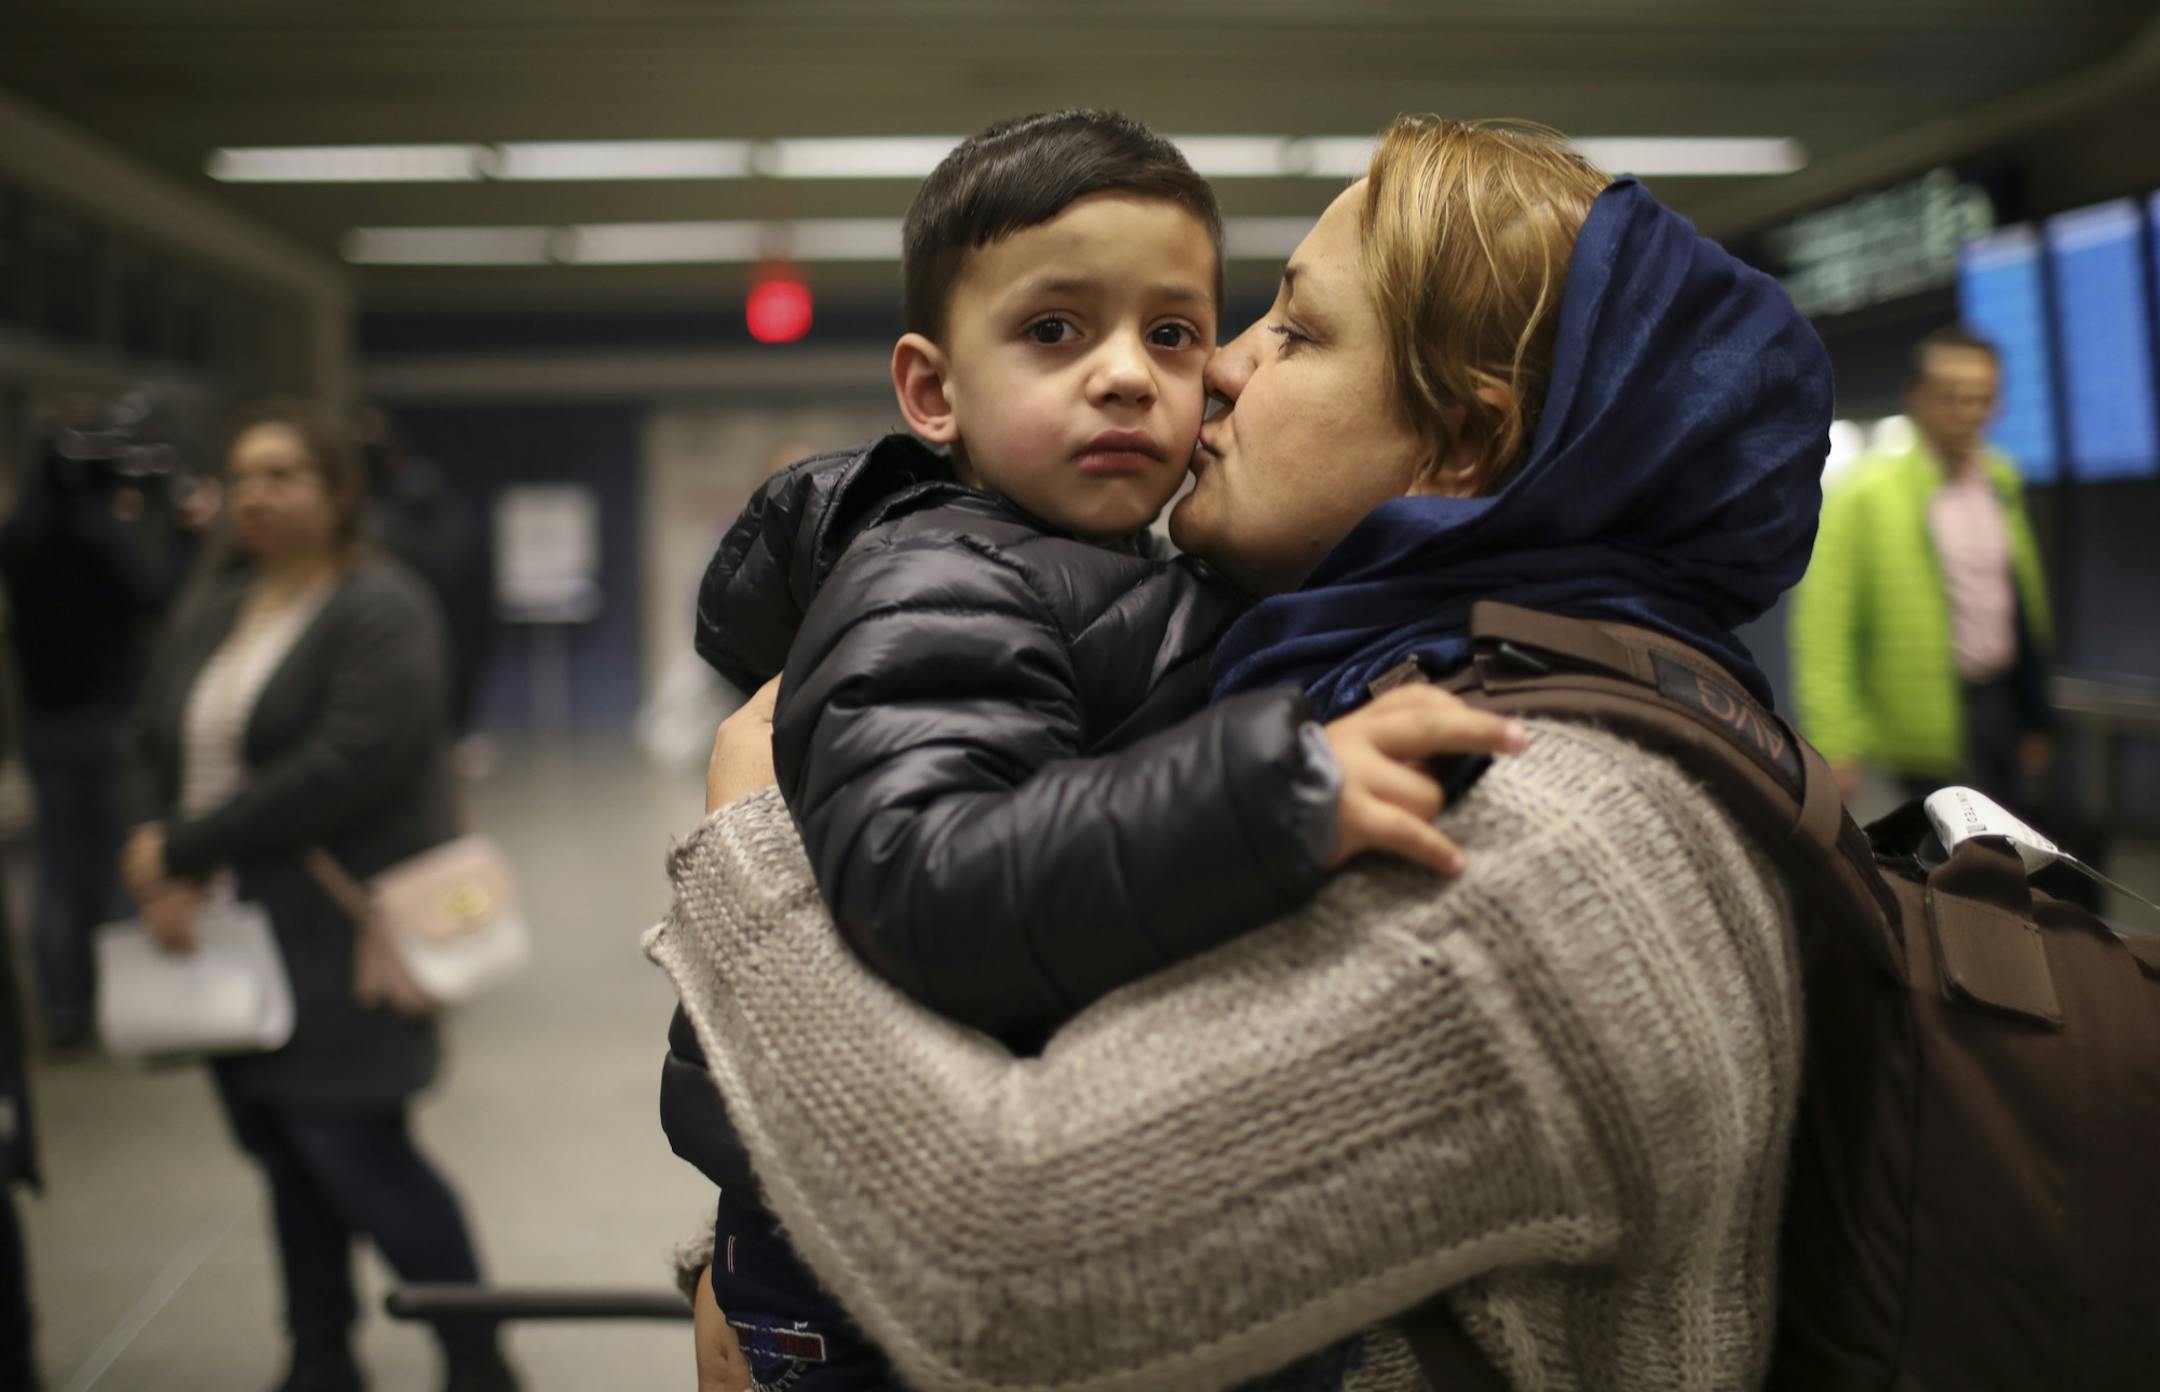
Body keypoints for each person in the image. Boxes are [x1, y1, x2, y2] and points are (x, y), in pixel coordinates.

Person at [654, 115, 1831, 1391]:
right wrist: (773, 1261)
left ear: (1464, 447)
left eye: (1296, 332)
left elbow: (1005, 1269)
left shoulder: (1530, 835)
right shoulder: (1405, 688)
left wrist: (755, 844)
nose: (1215, 371)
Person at [118, 402, 518, 1392]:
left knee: (355, 1145)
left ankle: (477, 1357)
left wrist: (183, 844)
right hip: (228, 924)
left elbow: (351, 762)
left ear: (340, 495)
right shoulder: (218, 604)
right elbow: (153, 738)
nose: (255, 494)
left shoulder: (380, 605)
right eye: (245, 475)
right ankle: (319, 1350)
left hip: (338, 930)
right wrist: (155, 859)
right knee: (283, 1150)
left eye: (284, 474)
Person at [0, 395, 213, 1047]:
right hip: (108, 720)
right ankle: (125, 994)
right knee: (122, 864)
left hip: (45, 721)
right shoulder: (99, 536)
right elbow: (152, 596)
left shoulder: (20, 534)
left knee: (59, 870)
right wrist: (184, 536)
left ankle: (65, 1005)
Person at [1790, 325, 2053, 807]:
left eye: (1982, 397)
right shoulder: (1866, 493)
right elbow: (1825, 626)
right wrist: (1834, 739)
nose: (1968, 411)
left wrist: (2034, 716)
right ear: (1917, 397)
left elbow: (2019, 607)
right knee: (1935, 867)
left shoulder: (2003, 482)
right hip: (1914, 726)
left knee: (2006, 857)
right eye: (1952, 396)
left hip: (1998, 706)